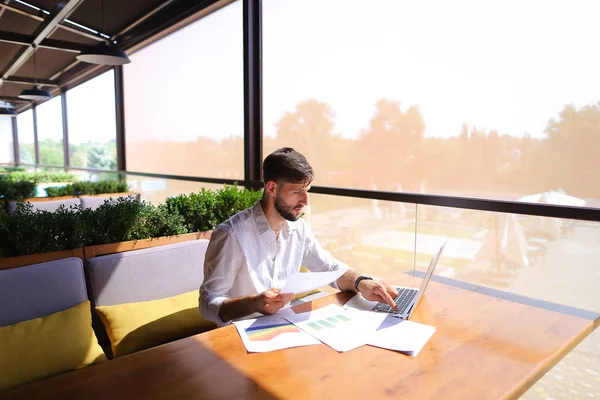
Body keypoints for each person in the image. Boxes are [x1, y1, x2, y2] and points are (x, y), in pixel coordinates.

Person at [200, 148, 398, 326]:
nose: (306, 201)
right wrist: (254, 303)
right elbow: (208, 303)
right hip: (237, 338)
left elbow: (329, 267)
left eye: (307, 191)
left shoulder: (298, 229)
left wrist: (361, 282)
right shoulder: (231, 235)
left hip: (286, 327)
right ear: (271, 189)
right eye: (297, 192)